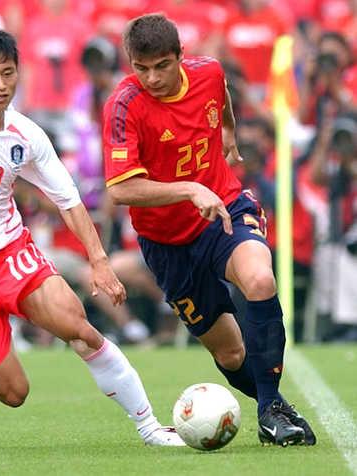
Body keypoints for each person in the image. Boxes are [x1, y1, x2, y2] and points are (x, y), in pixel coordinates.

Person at [0, 29, 184, 447]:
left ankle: (150, 427)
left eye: (8, 73)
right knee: (13, 393)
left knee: (79, 328)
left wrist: (99, 262)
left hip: (10, 251)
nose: (0, 85)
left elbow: (68, 200)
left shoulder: (26, 134)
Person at [102, 13, 317, 447]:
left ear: (180, 56)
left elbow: (222, 95)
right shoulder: (124, 105)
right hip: (167, 243)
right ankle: (274, 404)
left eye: (162, 66)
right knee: (231, 352)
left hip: (224, 210)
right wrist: (188, 189)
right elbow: (121, 190)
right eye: (141, 68)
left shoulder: (209, 71)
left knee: (259, 280)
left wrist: (228, 131)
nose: (152, 78)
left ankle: (271, 411)